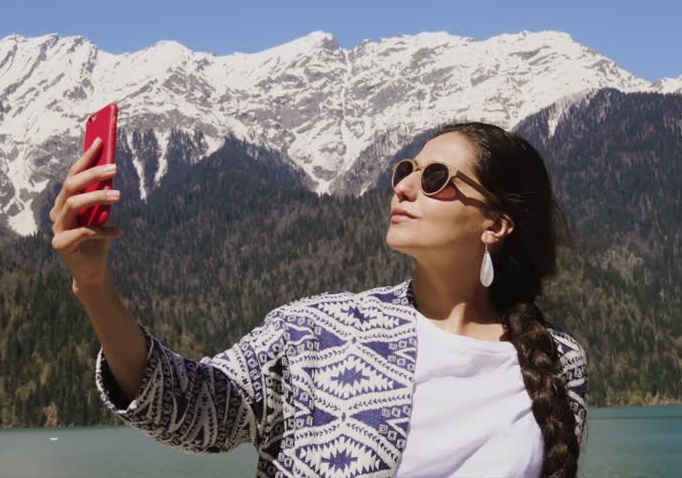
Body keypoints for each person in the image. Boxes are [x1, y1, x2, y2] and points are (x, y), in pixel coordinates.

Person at [50, 121, 588, 478]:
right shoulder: (318, 332)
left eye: (436, 178)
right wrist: (94, 286)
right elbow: (189, 408)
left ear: (495, 224)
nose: (403, 187)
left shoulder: (558, 361)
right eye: (406, 170)